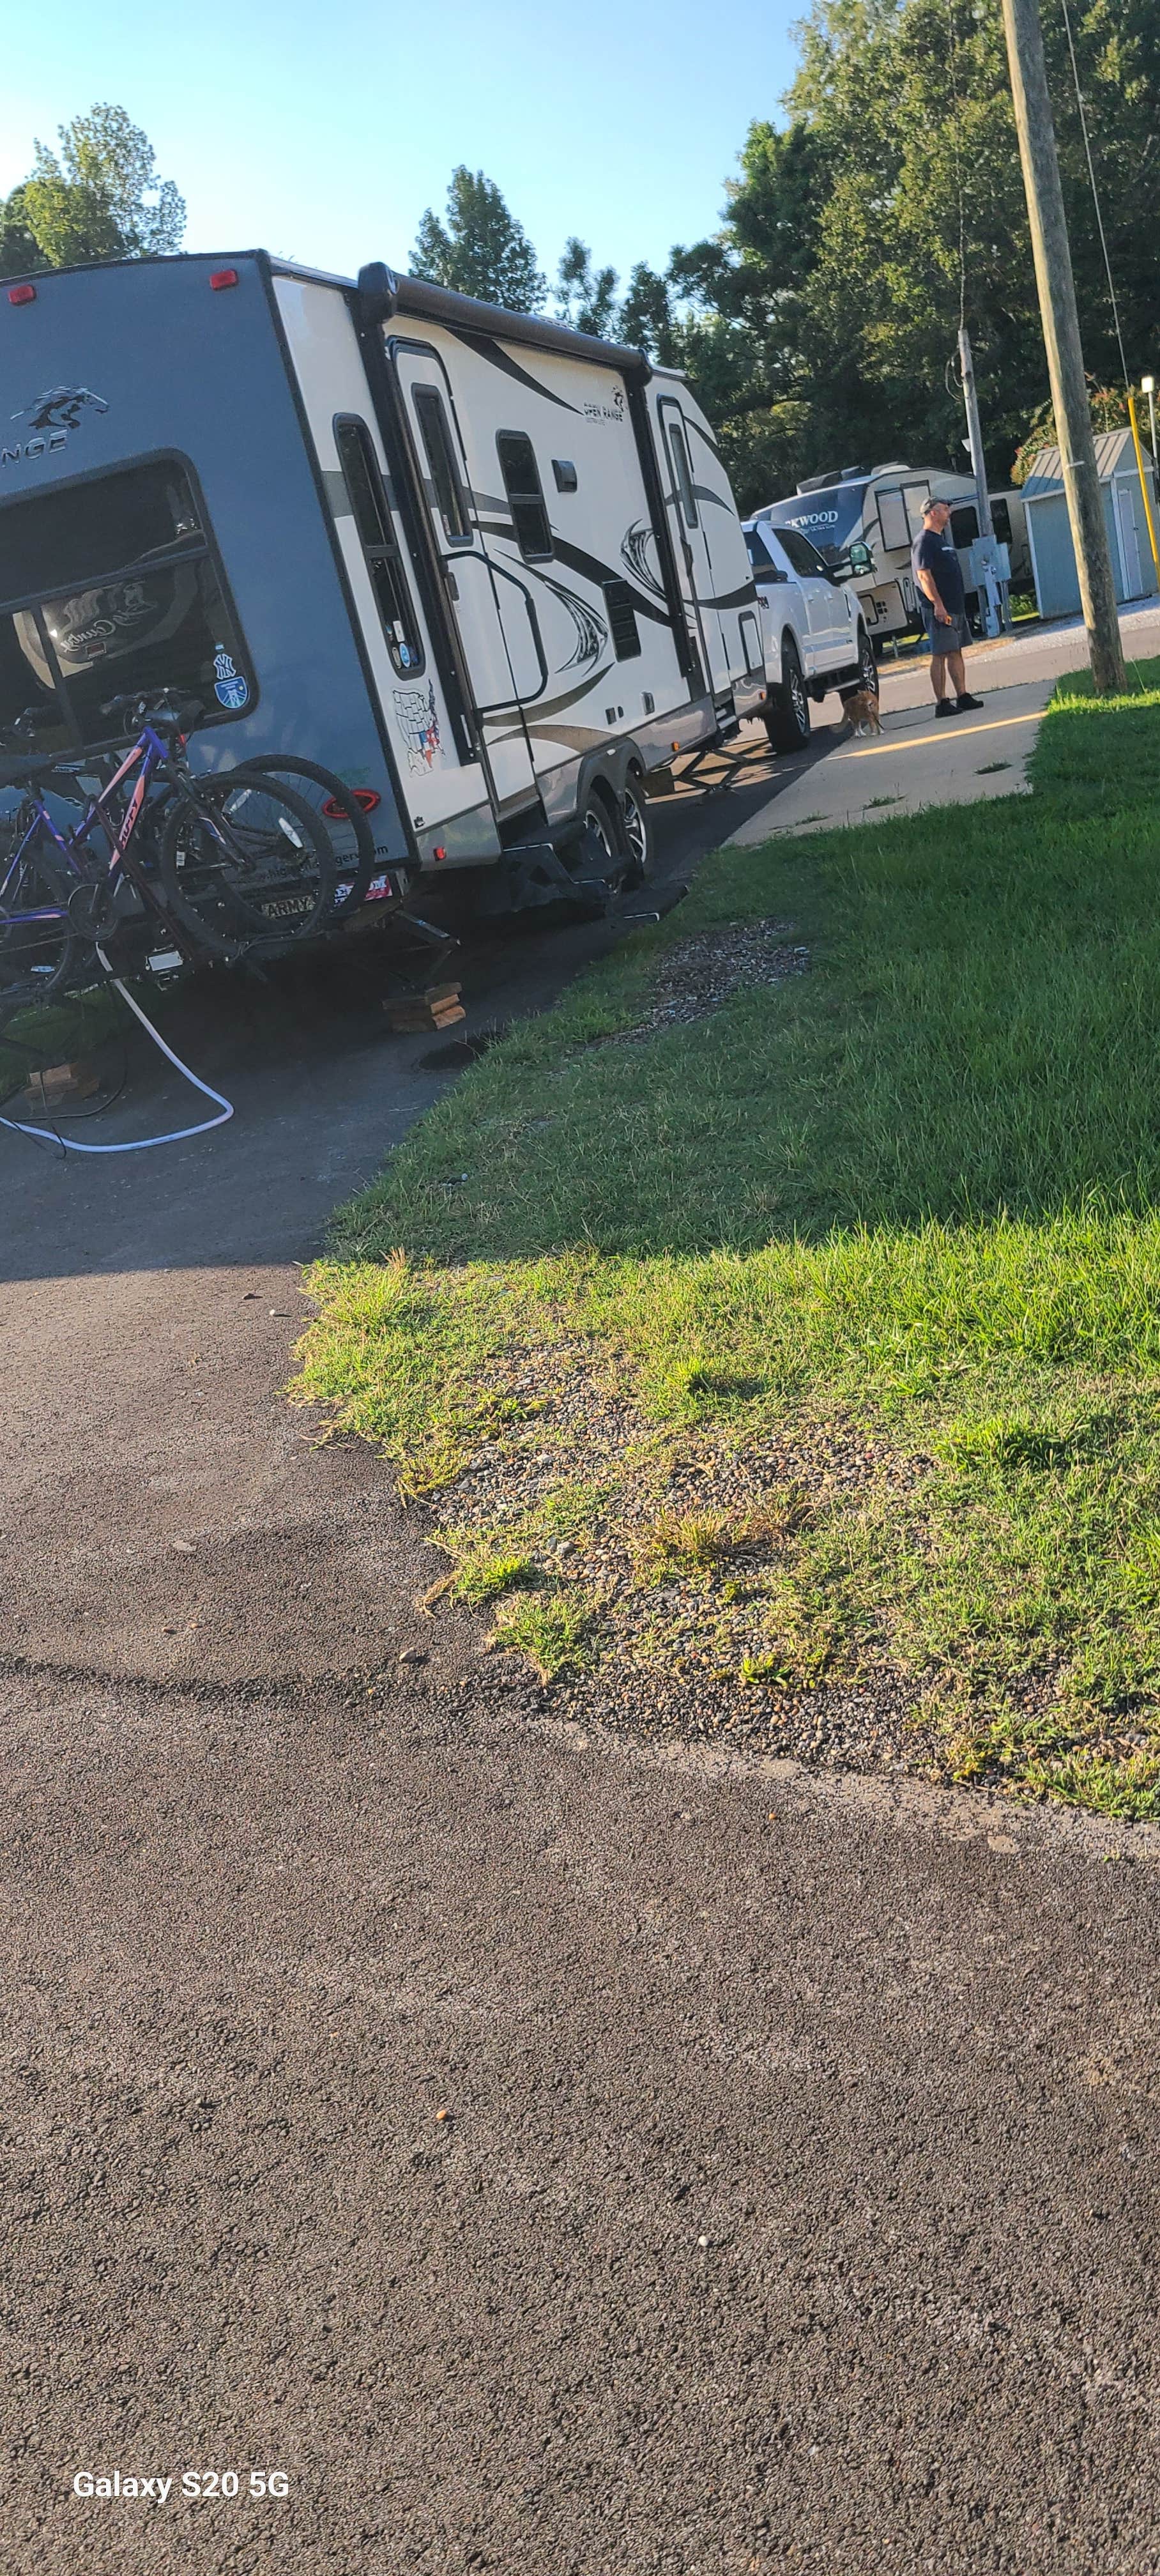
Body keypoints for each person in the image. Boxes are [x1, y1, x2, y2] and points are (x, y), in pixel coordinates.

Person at [911, 497, 984, 719]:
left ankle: (962, 695)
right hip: (940, 608)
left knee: (956, 651)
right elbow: (924, 576)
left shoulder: (941, 540)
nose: (949, 513)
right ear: (932, 513)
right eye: (944, 509)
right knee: (941, 653)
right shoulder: (924, 541)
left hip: (955, 606)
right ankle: (942, 702)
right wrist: (938, 605)